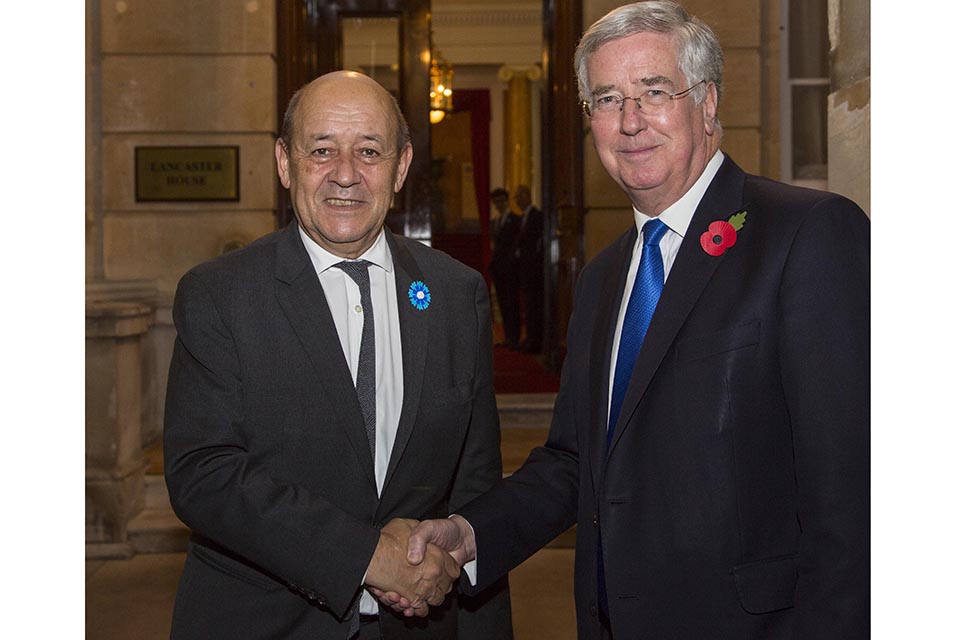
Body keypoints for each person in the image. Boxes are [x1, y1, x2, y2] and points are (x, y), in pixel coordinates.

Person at [388, 2, 870, 638]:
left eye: (654, 91)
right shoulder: (604, 277)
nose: (631, 121)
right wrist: (469, 533)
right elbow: (573, 462)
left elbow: (852, 491)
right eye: (608, 99)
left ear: (708, 103)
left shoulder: (805, 235)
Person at [163, 70, 512, 639]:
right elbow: (204, 473)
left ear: (400, 168)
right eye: (321, 150)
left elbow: (477, 490)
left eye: (368, 151)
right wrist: (366, 555)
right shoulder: (221, 295)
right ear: (284, 163)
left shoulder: (455, 295)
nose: (345, 174)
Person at [488, 187, 522, 349]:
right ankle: (508, 337)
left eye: (501, 201)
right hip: (498, 270)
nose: (499, 204)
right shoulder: (494, 222)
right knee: (502, 303)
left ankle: (514, 338)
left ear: (506, 201)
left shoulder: (516, 220)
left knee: (512, 303)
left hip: (511, 270)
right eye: (496, 202)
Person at [513, 184, 544, 353]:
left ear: (527, 196)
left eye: (519, 196)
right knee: (529, 306)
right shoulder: (522, 217)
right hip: (524, 270)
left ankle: (535, 340)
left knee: (535, 307)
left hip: (534, 272)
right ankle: (530, 338)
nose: (517, 201)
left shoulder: (537, 216)